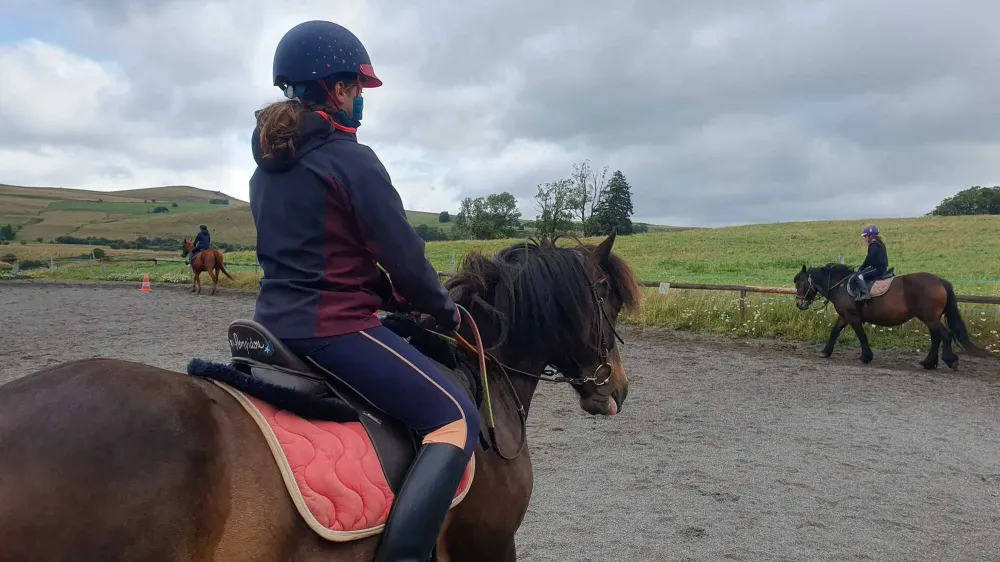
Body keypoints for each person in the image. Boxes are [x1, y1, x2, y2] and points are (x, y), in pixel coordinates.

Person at [248, 20, 480, 562]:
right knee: (456, 418)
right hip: (333, 330)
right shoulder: (352, 160)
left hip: (269, 325)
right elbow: (405, 257)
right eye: (356, 88)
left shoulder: (266, 170)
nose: (360, 101)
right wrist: (441, 309)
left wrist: (386, 293)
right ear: (334, 88)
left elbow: (324, 255)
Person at [855, 224, 888, 300]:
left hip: (877, 269)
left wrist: (861, 268)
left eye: (865, 236)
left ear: (871, 236)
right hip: (882, 267)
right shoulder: (880, 243)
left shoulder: (873, 245)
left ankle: (865, 293)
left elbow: (869, 259)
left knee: (858, 276)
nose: (865, 238)